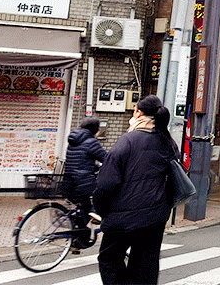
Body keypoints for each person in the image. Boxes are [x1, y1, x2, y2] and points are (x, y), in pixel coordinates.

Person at [94, 96, 179, 285]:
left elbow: (106, 183)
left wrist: (100, 208)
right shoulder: (168, 141)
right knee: (145, 265)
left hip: (122, 217)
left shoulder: (128, 140)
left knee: (109, 259)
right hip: (155, 217)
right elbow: (176, 178)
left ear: (138, 113)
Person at [64, 117, 107, 234]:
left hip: (69, 181)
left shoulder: (74, 140)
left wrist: (96, 167)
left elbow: (81, 161)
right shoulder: (91, 142)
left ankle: (77, 239)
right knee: (101, 194)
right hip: (83, 183)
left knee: (84, 208)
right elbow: (107, 160)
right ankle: (96, 216)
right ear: (96, 130)